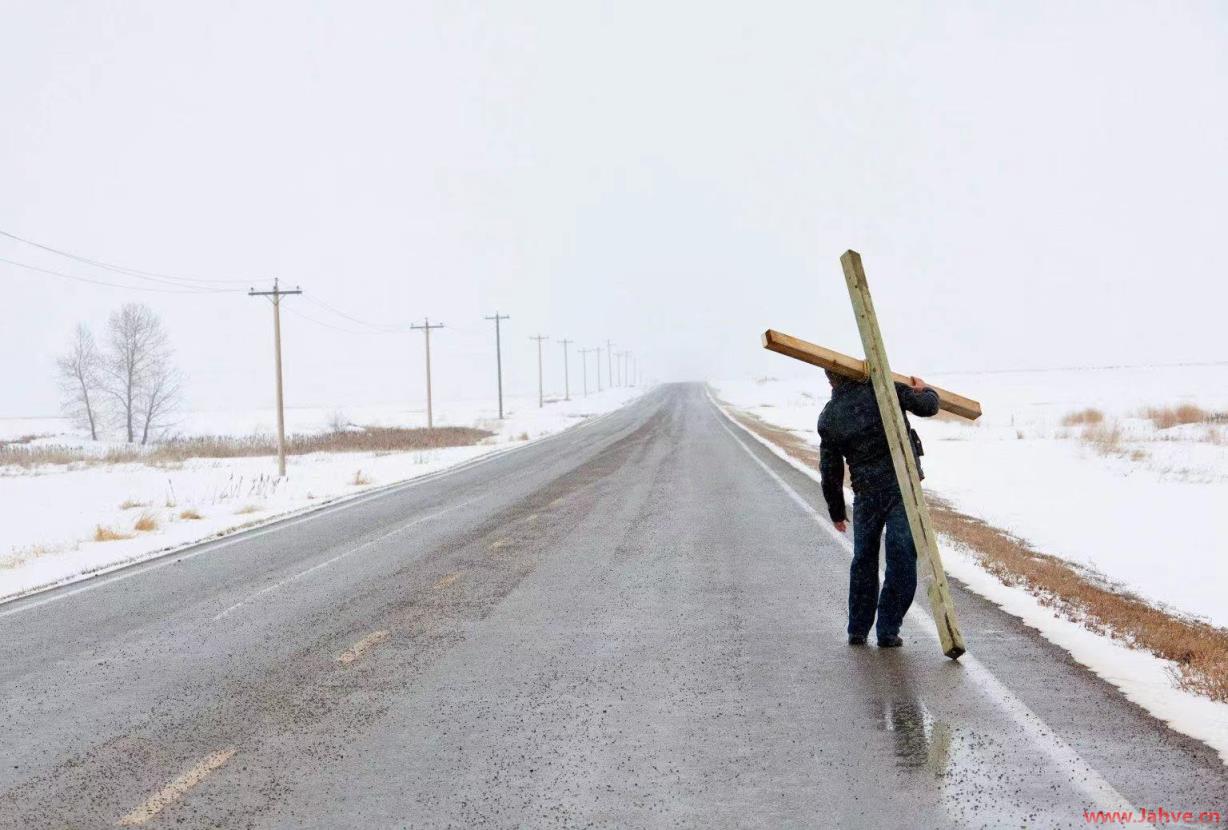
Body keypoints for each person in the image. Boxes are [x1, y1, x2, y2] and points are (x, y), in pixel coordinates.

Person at [817, 369, 939, 648]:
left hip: (866, 493)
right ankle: (887, 629)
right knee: (901, 557)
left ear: (830, 381)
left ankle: (857, 630)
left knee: (864, 560)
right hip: (901, 490)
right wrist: (927, 390)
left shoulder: (830, 415)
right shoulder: (883, 387)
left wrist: (836, 510)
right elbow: (928, 407)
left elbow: (830, 469)